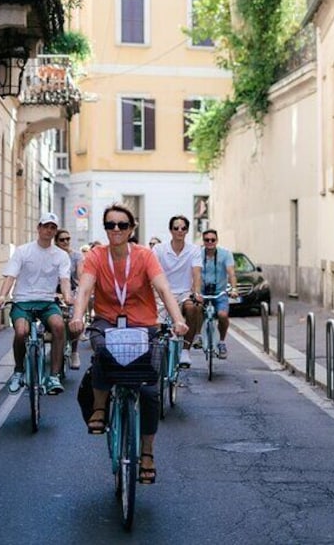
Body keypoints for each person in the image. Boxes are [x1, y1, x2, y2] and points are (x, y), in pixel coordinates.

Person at [70, 204, 188, 484]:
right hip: (108, 322)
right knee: (102, 350)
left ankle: (147, 452)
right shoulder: (97, 256)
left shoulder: (145, 256)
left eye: (122, 225)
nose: (116, 230)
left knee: (148, 392)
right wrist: (76, 316)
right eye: (110, 225)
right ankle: (100, 408)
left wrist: (178, 319)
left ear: (132, 229)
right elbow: (85, 288)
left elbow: (163, 288)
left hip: (143, 325)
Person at [0, 212, 73, 395]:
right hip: (23, 301)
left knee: (59, 326)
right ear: (38, 228)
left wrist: (67, 296)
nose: (49, 230)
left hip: (47, 302)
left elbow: (65, 279)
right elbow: (11, 275)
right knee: (21, 332)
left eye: (52, 227)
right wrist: (2, 296)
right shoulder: (23, 251)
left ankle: (53, 376)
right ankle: (19, 371)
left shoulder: (61, 255)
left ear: (55, 231)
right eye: (45, 226)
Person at [152, 216, 203, 368]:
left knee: (193, 308)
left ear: (187, 231)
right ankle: (156, 356)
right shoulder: (159, 249)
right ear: (170, 230)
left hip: (184, 293)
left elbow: (196, 273)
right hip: (163, 293)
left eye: (183, 228)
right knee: (157, 327)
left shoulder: (194, 250)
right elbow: (152, 273)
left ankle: (185, 351)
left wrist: (197, 292)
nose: (179, 231)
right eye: (176, 228)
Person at [199, 228, 238, 359]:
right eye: (207, 240)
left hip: (219, 292)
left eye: (212, 240)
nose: (210, 242)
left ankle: (221, 342)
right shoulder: (198, 254)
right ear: (203, 241)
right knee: (194, 309)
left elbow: (231, 273)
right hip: (202, 291)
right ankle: (199, 336)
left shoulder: (225, 254)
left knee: (222, 315)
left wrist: (233, 289)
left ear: (217, 240)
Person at [55, 228, 84, 369]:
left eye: (68, 239)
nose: (66, 242)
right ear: (56, 242)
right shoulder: (51, 255)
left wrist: (82, 288)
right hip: (52, 293)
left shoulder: (76, 256)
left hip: (71, 291)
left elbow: (80, 275)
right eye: (62, 239)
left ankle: (74, 352)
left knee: (75, 321)